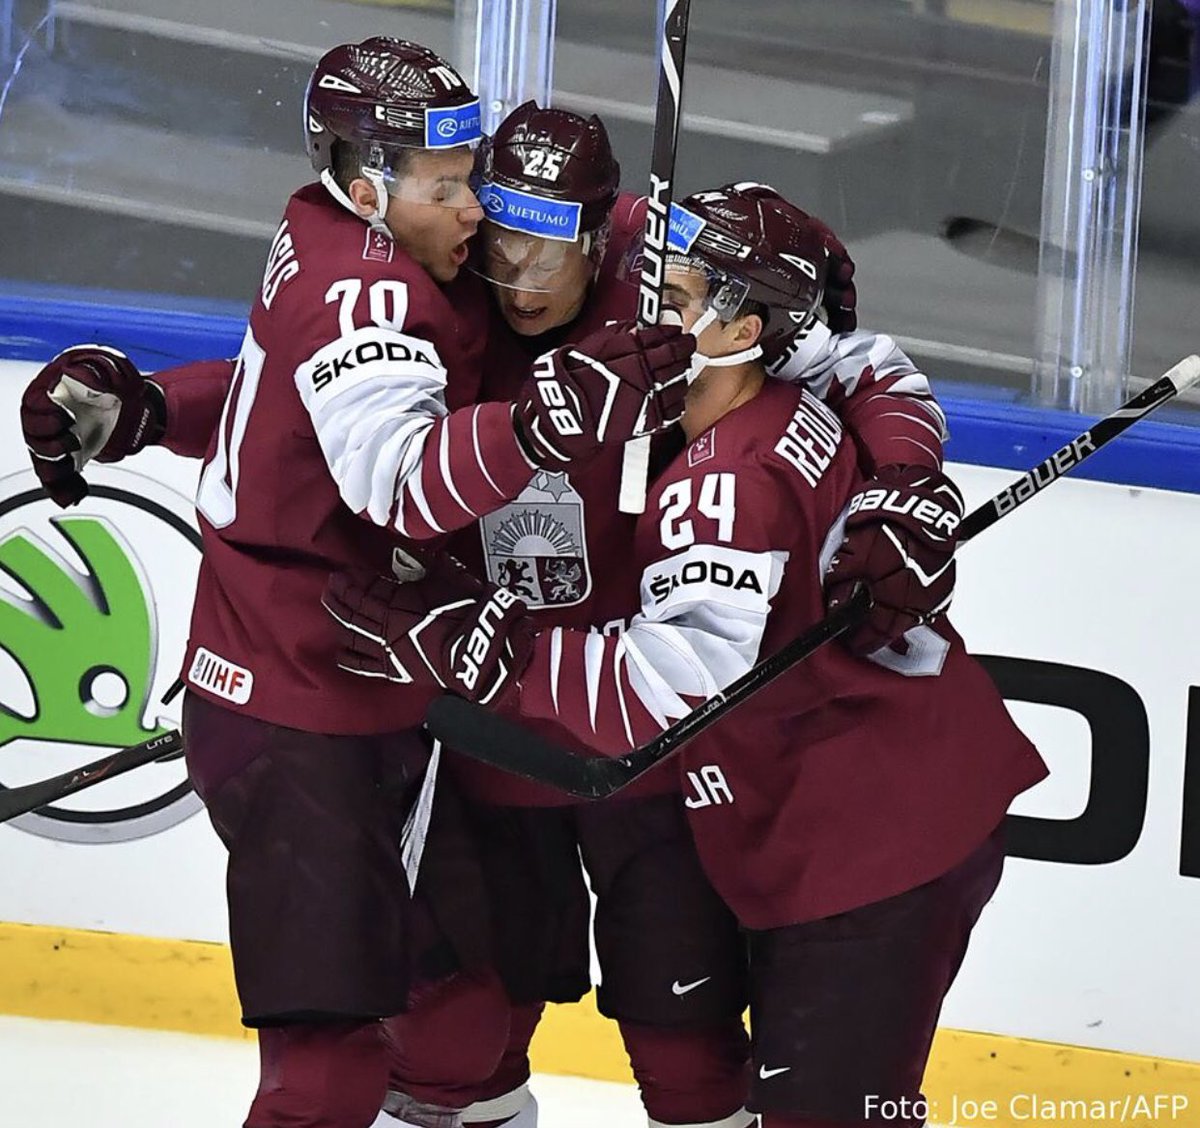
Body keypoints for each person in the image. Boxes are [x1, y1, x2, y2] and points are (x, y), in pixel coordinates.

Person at [22, 115, 960, 1128]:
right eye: (497, 238)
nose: (513, 272)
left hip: (647, 735)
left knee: (683, 1044)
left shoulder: (665, 264)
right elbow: (303, 406)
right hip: (488, 724)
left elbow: (860, 362)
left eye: (545, 248)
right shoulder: (445, 274)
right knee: (455, 1040)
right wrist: (158, 410)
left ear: (601, 232)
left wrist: (905, 482)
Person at [18, 38, 694, 1128]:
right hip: (299, 706)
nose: (476, 212)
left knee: (461, 1026)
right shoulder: (370, 296)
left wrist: (152, 408)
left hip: (378, 694)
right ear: (371, 183)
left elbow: (279, 398)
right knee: (326, 1071)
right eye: (449, 186)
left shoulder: (340, 229)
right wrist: (540, 424)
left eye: (474, 177)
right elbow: (400, 482)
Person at [323, 183, 1049, 1128]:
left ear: (742, 329)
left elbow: (664, 684)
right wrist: (906, 481)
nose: (638, 320)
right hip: (856, 821)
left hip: (869, 844)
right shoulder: (776, 401)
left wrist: (482, 651)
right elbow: (869, 368)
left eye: (668, 300)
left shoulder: (721, 485)